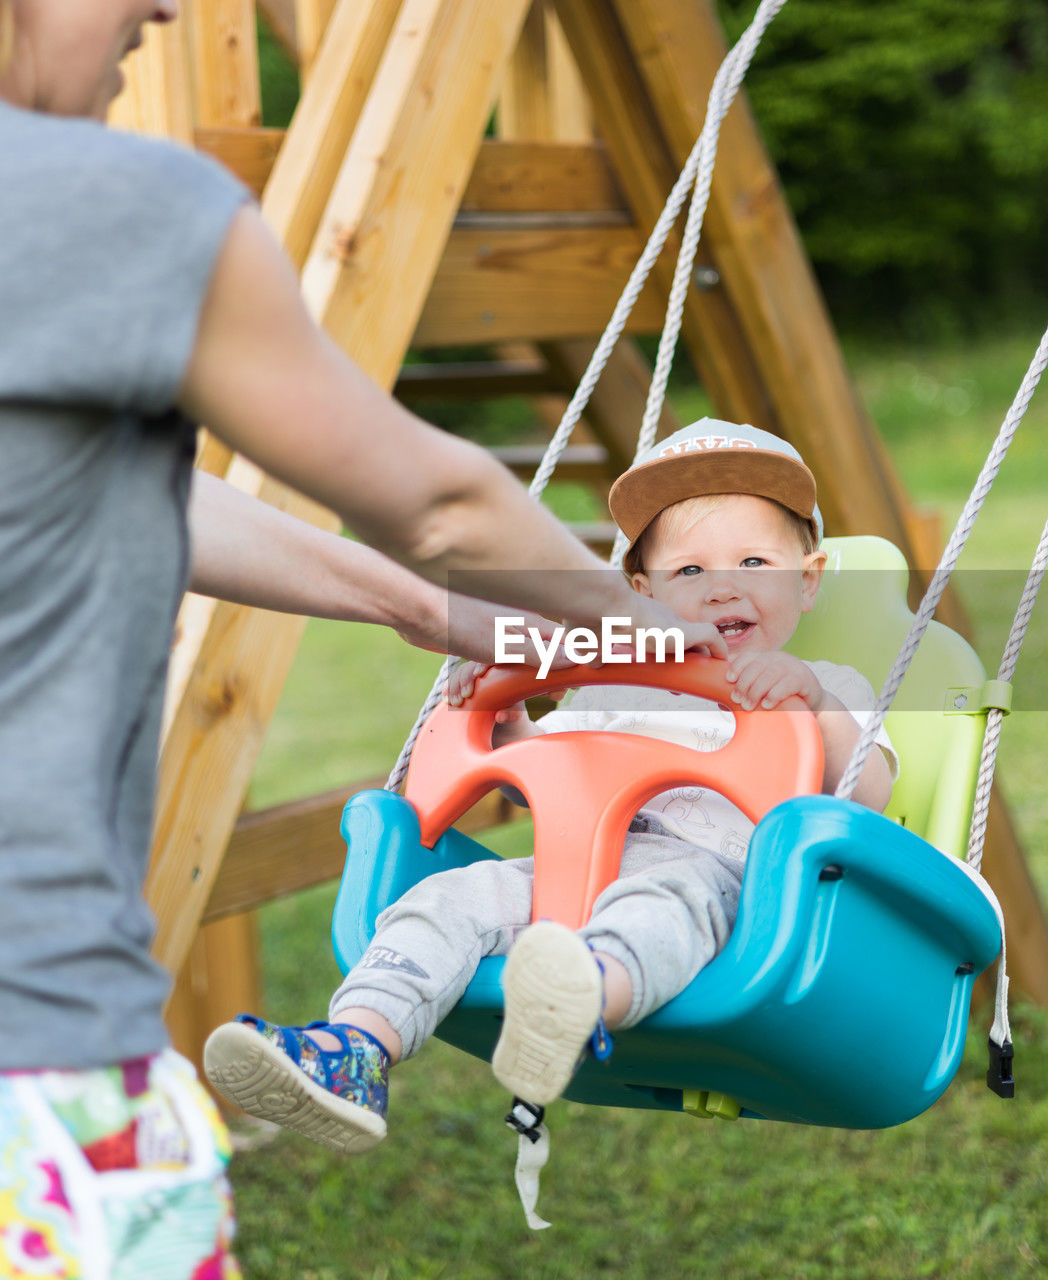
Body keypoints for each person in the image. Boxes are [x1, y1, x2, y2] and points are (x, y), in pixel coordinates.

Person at [0, 3, 721, 1276]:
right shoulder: (115, 203)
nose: (164, 9)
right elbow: (438, 500)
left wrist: (418, 607)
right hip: (33, 1047)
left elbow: (128, 490)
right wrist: (650, 633)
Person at [203, 421, 898, 1159]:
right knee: (445, 900)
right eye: (688, 572)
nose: (723, 584)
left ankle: (575, 1001)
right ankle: (356, 1048)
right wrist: (504, 720)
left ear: (809, 578)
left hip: (729, 886)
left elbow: (869, 797)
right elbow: (550, 778)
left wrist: (813, 706)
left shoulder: (824, 690)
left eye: (754, 561)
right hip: (571, 874)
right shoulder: (614, 686)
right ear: (642, 591)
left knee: (661, 905)